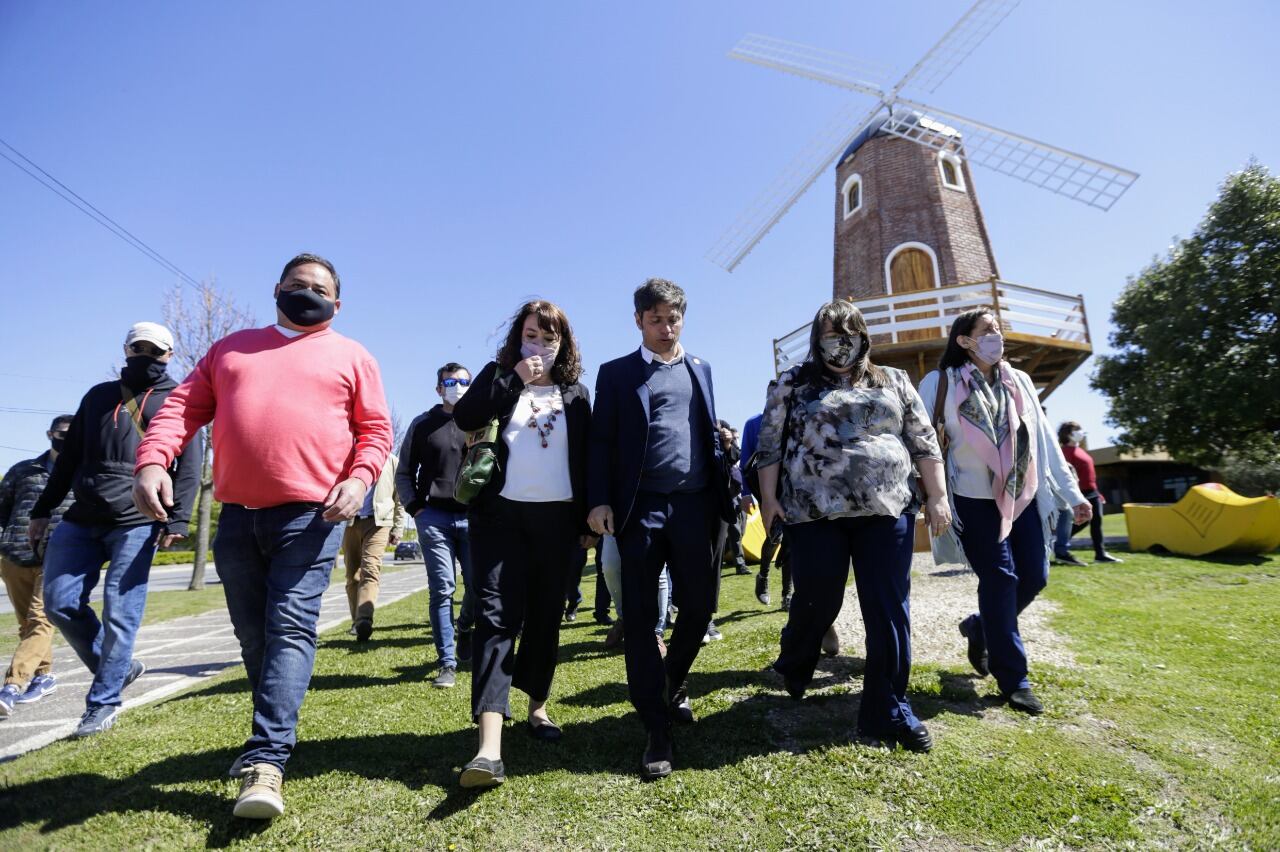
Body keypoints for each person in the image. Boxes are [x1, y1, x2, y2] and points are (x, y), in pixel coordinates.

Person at [132, 253, 393, 819]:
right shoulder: (230, 348)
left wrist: (359, 477)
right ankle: (269, 735)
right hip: (237, 516)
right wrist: (154, 460)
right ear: (276, 289)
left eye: (319, 289)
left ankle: (266, 761)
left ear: (337, 303)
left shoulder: (353, 357)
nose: (307, 293)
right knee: (254, 638)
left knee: (291, 629)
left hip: (312, 517)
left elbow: (375, 431)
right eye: (297, 285)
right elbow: (181, 408)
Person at [757, 300, 948, 752]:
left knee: (888, 610)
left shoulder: (894, 380)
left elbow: (922, 439)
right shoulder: (793, 382)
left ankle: (888, 710)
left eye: (849, 331)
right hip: (813, 510)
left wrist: (937, 495)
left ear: (864, 335)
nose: (840, 340)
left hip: (887, 509)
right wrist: (768, 500)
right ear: (816, 338)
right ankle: (796, 659)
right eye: (830, 332)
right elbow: (770, 443)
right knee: (817, 598)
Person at [587, 277, 735, 780]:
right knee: (642, 617)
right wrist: (599, 501)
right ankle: (656, 728)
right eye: (656, 320)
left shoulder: (702, 369)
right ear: (638, 321)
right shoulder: (616, 374)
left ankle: (671, 682)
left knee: (700, 606)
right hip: (640, 508)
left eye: (674, 319)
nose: (667, 328)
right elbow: (600, 443)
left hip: (697, 506)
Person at [919, 307, 1091, 716]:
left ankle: (980, 627)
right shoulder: (939, 382)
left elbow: (1045, 440)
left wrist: (1073, 494)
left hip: (1022, 493)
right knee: (999, 580)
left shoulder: (1020, 380)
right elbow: (922, 439)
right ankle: (1015, 678)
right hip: (972, 498)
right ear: (965, 340)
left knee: (1035, 576)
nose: (998, 335)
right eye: (988, 330)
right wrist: (932, 495)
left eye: (998, 328)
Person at [31, 323, 200, 738]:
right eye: (137, 347)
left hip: (139, 519)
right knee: (59, 604)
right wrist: (43, 509)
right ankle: (120, 668)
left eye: (154, 350)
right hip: (83, 517)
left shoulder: (179, 399)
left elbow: (191, 465)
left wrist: (177, 519)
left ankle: (102, 703)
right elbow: (68, 459)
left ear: (169, 355)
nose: (145, 355)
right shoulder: (97, 396)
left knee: (121, 613)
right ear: (125, 350)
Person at [451, 299, 593, 789]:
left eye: (549, 338)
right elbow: (464, 416)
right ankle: (489, 746)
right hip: (499, 518)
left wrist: (589, 518)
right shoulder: (498, 376)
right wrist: (512, 376)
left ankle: (538, 707)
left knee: (545, 617)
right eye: (532, 335)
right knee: (496, 618)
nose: (540, 346)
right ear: (518, 338)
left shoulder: (576, 393)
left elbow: (589, 457)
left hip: (559, 521)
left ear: (563, 344)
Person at [396, 362, 475, 687]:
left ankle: (466, 627)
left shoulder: (480, 422)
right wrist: (415, 508)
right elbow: (404, 472)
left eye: (463, 381)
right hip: (434, 519)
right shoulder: (422, 424)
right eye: (450, 381)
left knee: (478, 587)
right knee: (442, 589)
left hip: (473, 518)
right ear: (439, 387)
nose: (457, 386)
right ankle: (447, 663)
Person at [0, 416, 75, 717]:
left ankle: (12, 685)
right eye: (62, 434)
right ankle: (44, 676)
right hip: (14, 555)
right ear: (50, 434)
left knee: (41, 620)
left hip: (59, 556)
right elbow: (2, 507)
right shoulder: (23, 471)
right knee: (26, 625)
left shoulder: (83, 471)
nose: (67, 439)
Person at [341, 454, 406, 641]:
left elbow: (399, 497)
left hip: (379, 522)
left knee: (370, 569)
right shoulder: (349, 456)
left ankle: (364, 620)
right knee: (352, 574)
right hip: (350, 521)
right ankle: (356, 622)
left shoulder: (391, 461)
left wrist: (398, 527)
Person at [740, 412, 791, 609]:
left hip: (793, 487)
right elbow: (746, 456)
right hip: (767, 489)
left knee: (792, 541)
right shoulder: (753, 423)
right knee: (775, 536)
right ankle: (763, 575)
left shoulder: (795, 415)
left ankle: (787, 594)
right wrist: (745, 493)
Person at [1057, 422, 1121, 564]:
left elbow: (1089, 475)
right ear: (1068, 433)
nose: (1081, 432)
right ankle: (1058, 546)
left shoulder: (1081, 450)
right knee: (1081, 522)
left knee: (1096, 522)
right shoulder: (1063, 452)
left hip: (1093, 492)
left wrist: (1098, 492)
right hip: (1079, 493)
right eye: (1076, 429)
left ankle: (1100, 554)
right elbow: (1065, 475)